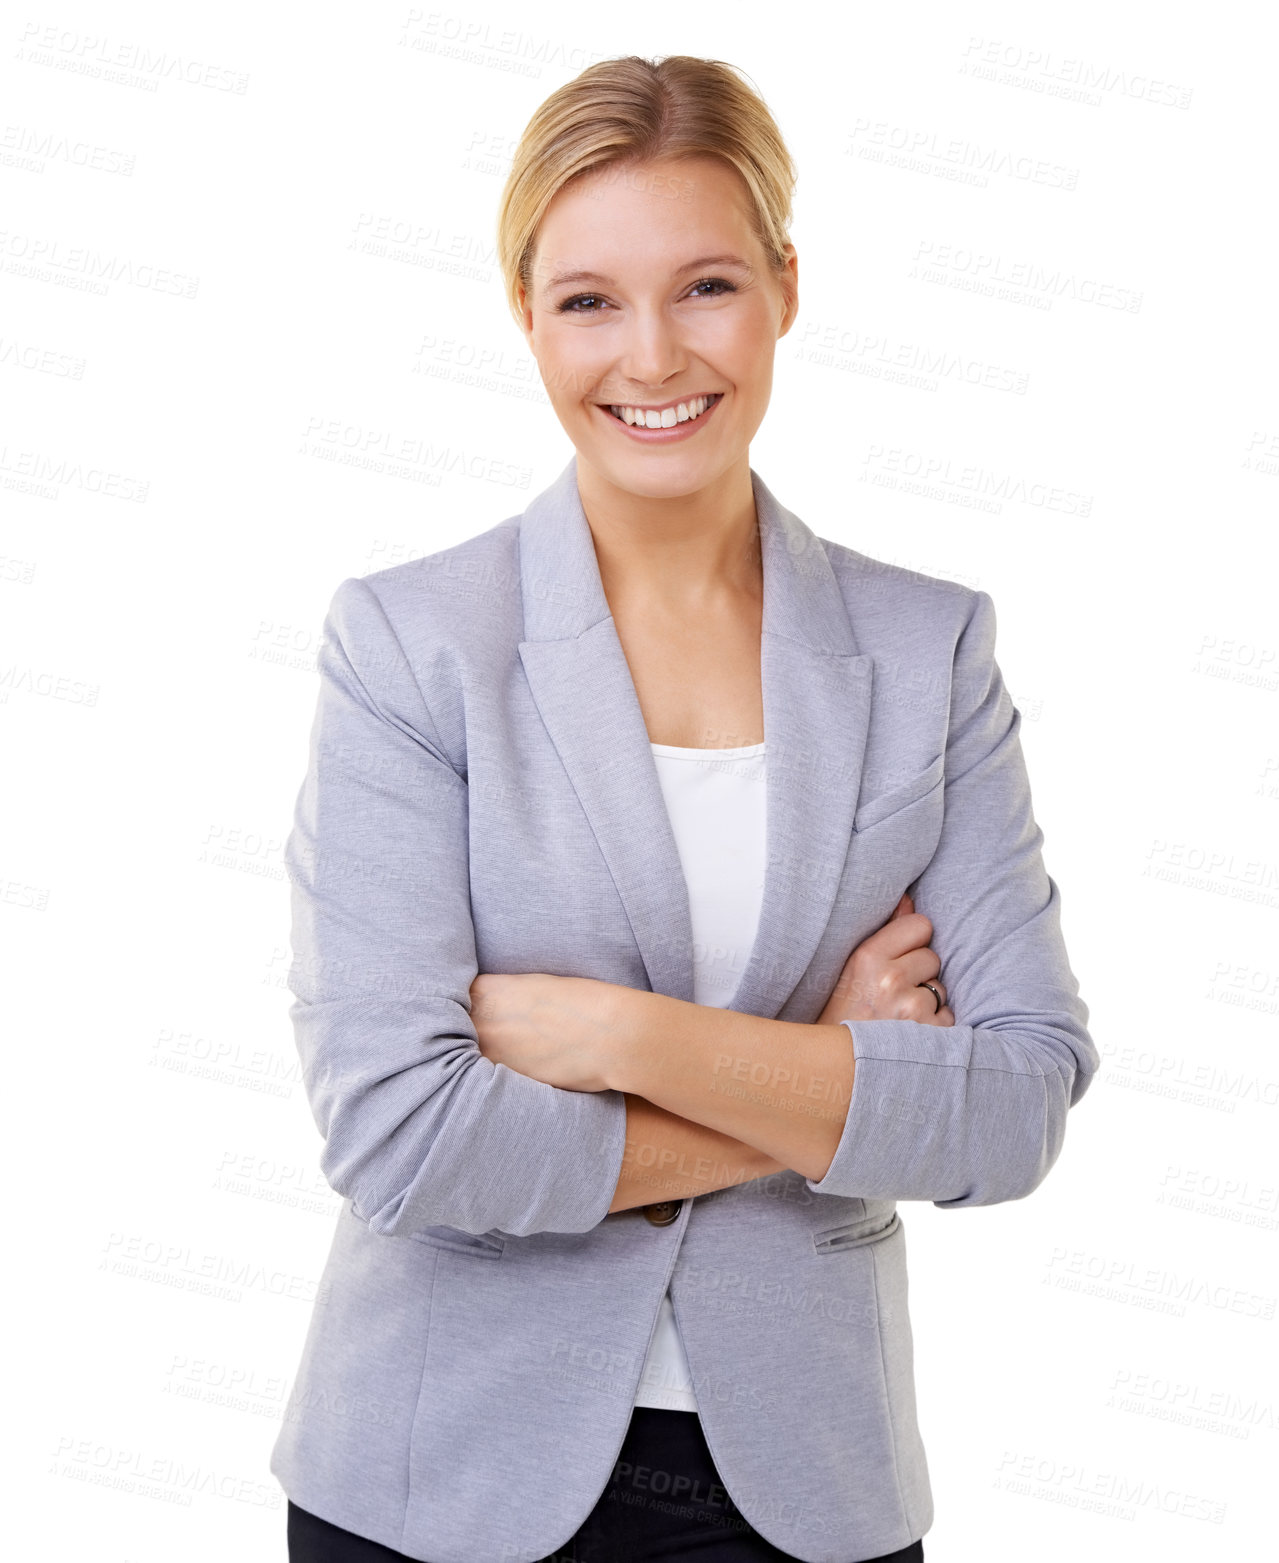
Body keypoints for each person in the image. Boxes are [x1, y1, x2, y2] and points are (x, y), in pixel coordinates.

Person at [270, 53, 1098, 1563]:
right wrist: (826, 1074)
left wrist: (625, 1041)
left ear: (786, 286)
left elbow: (1020, 1101)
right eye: (589, 299)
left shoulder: (930, 652)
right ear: (525, 314)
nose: (651, 357)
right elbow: (403, 1136)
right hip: (435, 1476)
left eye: (706, 285)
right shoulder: (411, 644)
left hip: (806, 1488)